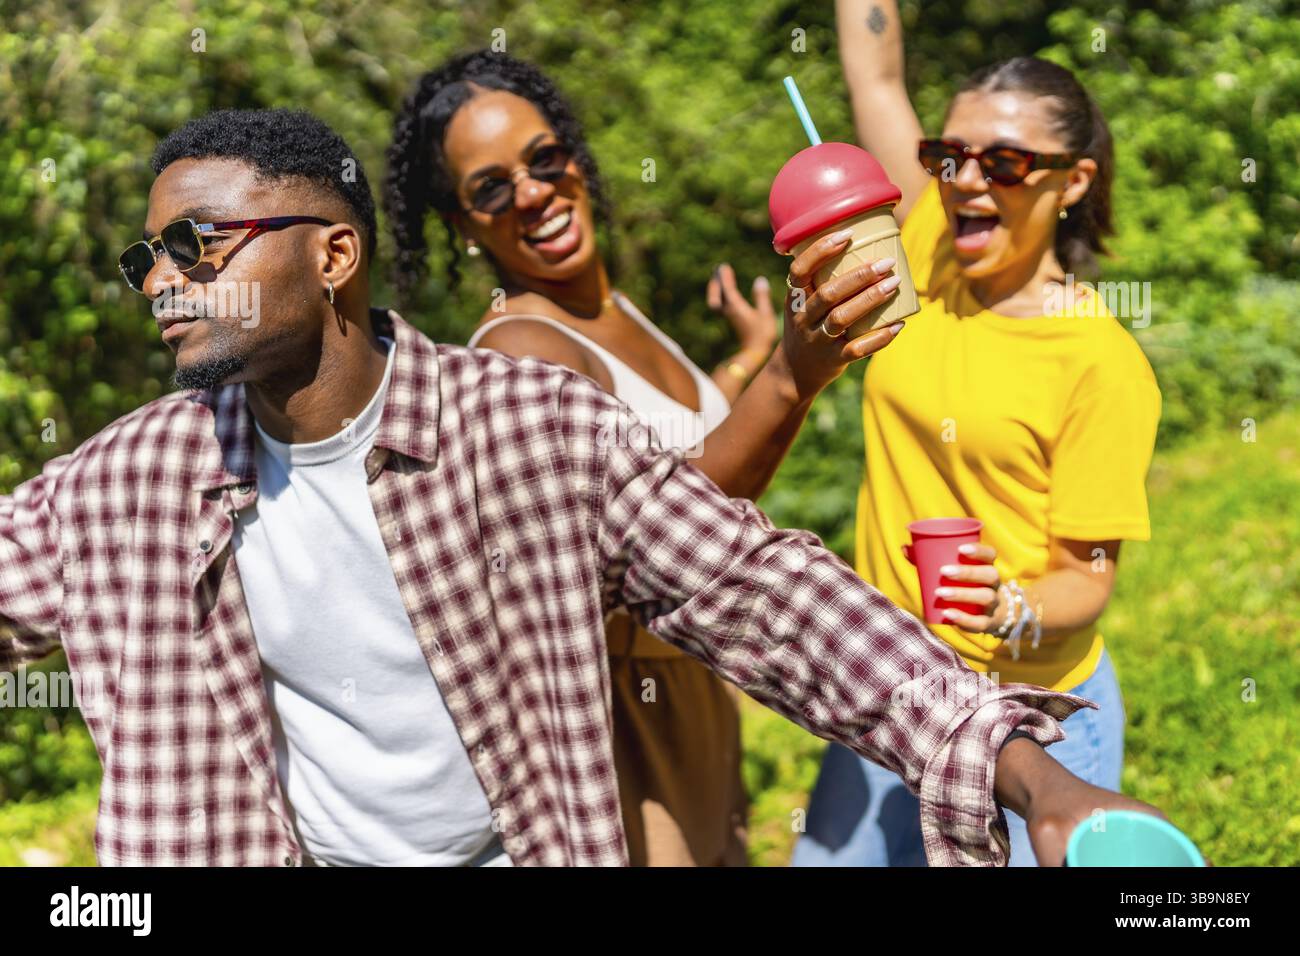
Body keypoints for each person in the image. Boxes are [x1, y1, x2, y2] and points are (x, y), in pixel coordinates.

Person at [0, 106, 1166, 867]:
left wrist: (1025, 769)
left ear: (333, 255)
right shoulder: (127, 483)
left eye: (198, 245)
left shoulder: (526, 429)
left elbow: (766, 591)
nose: (161, 280)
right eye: (146, 256)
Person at [383, 50, 905, 866]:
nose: (532, 192)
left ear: (575, 161)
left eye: (545, 159)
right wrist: (790, 376)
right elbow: (658, 530)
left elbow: (665, 450)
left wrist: (746, 361)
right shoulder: (521, 348)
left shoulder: (610, 306)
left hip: (694, 682)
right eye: (490, 188)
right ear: (461, 223)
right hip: (621, 711)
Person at [792, 1, 1162, 866]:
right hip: (890, 688)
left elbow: (1086, 576)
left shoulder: (1097, 360)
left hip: (1033, 719)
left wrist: (1013, 608)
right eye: (947, 156)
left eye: (1003, 162)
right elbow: (876, 71)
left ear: (1071, 181)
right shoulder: (926, 242)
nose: (965, 180)